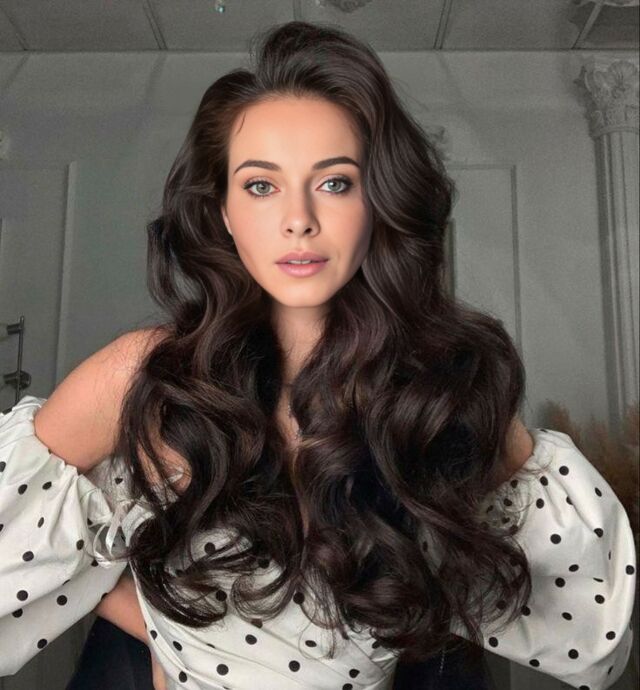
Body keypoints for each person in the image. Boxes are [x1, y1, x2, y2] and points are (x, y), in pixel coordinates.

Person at [0, 19, 636, 690]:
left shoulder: (435, 390)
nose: (298, 218)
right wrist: (160, 631)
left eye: (334, 183)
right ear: (223, 211)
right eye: (261, 185)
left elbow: (592, 630)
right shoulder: (144, 378)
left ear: (378, 201)